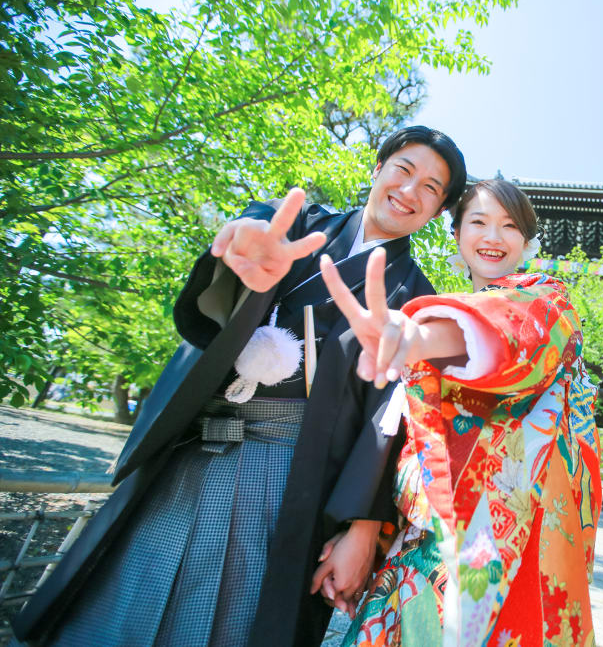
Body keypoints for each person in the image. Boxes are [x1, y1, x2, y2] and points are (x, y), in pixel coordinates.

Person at [13, 126, 467, 647]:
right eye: (403, 170)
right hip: (197, 441)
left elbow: (392, 419)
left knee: (237, 615)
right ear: (378, 169)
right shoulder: (296, 226)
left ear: (437, 212)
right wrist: (238, 248)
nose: (410, 191)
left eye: (431, 188)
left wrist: (363, 527)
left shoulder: (415, 300)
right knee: (126, 592)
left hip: (289, 468)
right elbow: (254, 228)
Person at [320, 179, 603, 646]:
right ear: (455, 234)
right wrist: (365, 536)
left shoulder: (548, 301)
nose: (493, 237)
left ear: (527, 243)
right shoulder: (440, 307)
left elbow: (509, 330)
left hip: (514, 540)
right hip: (426, 542)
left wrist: (418, 340)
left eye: (510, 227)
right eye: (479, 222)